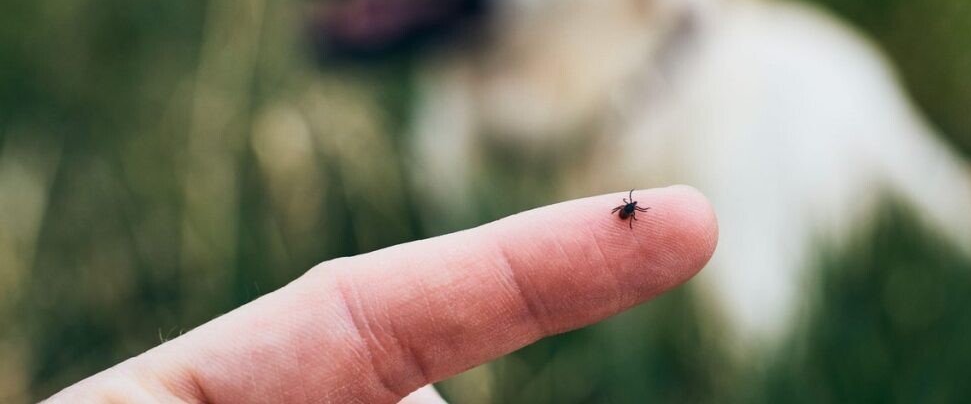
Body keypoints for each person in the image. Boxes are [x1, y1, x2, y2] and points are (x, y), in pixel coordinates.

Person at [47, 186, 717, 403]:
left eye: (627, 209)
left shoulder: (628, 215)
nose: (628, 211)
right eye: (629, 209)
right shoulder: (627, 215)